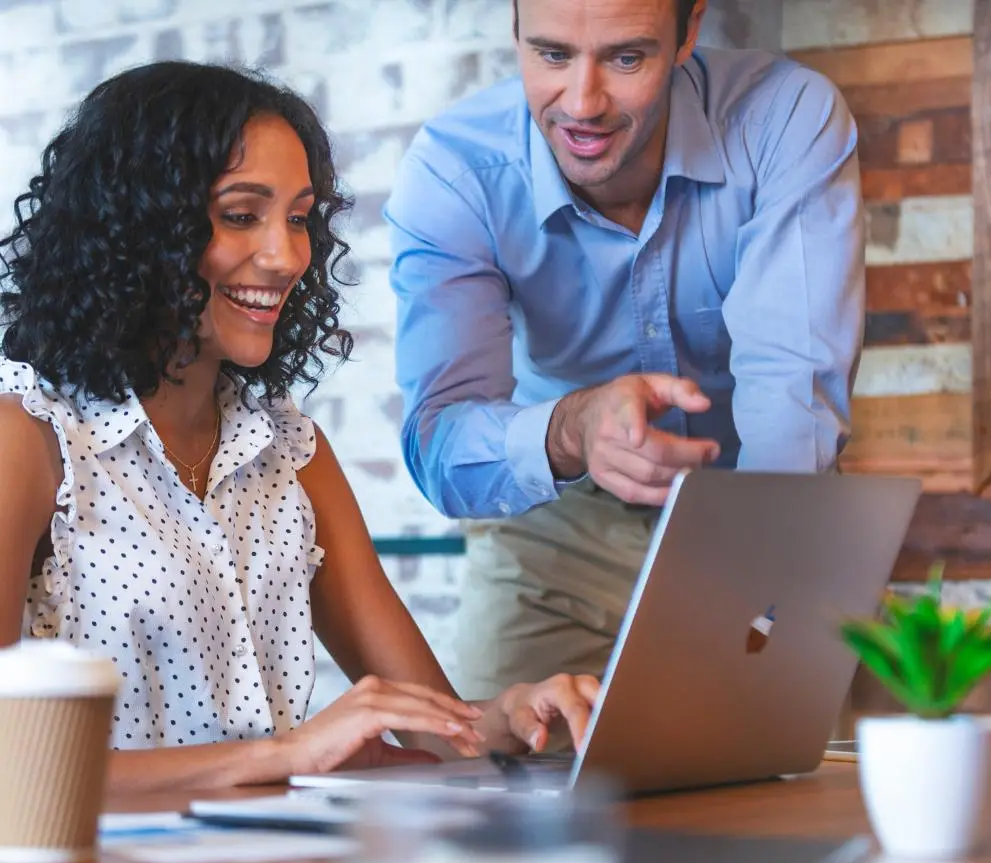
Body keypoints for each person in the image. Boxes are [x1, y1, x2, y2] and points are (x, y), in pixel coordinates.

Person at [0, 61, 599, 795]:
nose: (286, 256)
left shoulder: (291, 453)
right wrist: (285, 755)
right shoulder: (26, 440)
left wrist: (509, 717)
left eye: (297, 217)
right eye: (241, 215)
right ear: (137, 227)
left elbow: (440, 734)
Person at [386, 0, 865, 700]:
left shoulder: (785, 118)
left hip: (762, 507)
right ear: (514, 30)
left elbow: (793, 401)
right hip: (555, 535)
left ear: (689, 31)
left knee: (806, 786)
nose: (582, 104)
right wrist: (572, 427)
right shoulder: (456, 172)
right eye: (551, 55)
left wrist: (762, 612)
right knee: (506, 791)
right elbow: (442, 448)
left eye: (626, 58)